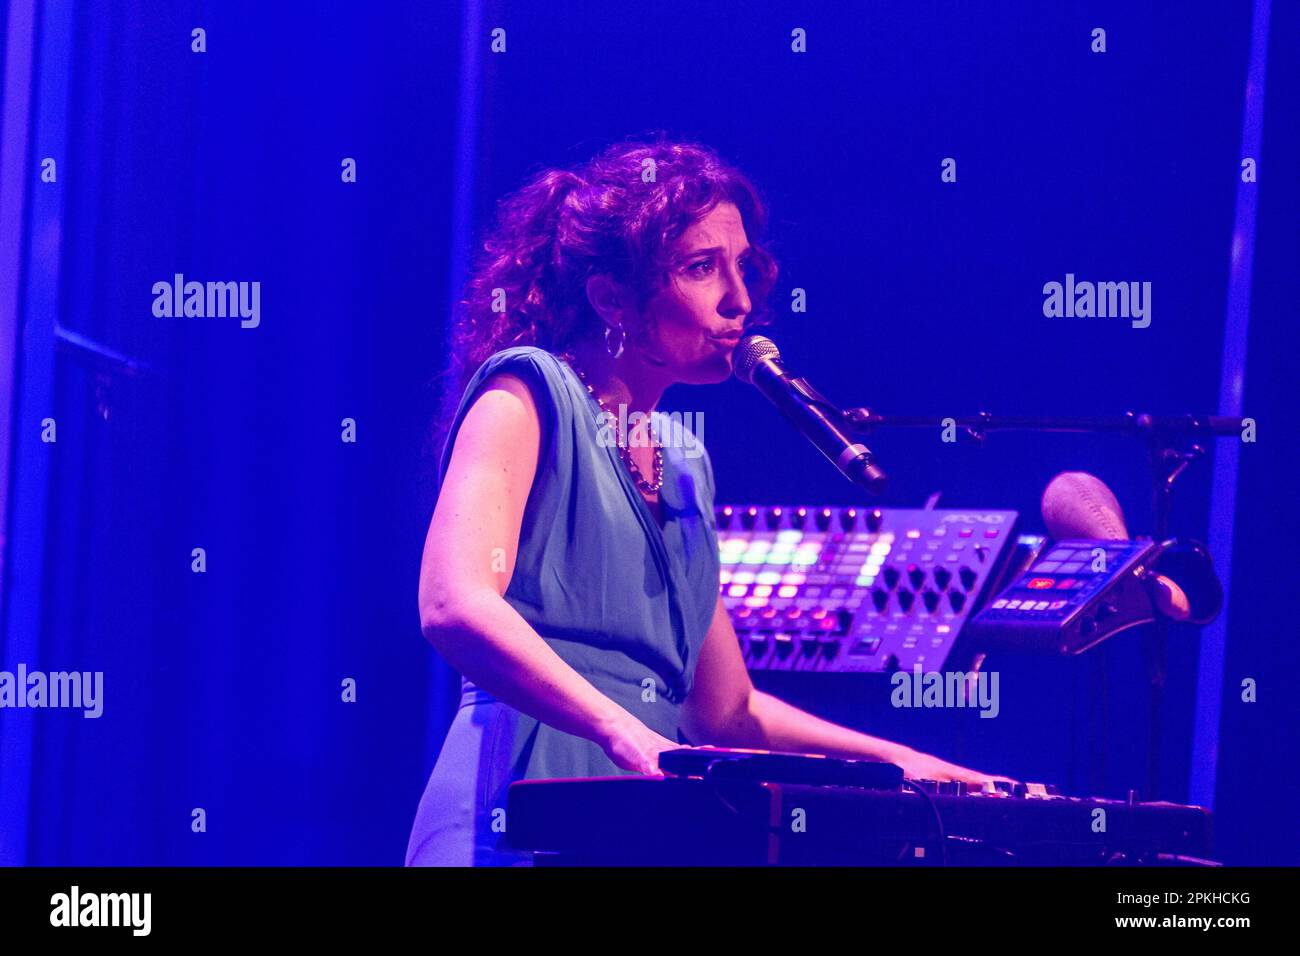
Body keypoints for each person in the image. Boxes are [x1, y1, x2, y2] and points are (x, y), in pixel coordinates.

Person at [405, 139, 1009, 866]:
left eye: (743, 266)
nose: (742, 301)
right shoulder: (527, 393)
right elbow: (454, 604)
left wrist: (902, 767)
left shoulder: (686, 462)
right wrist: (621, 731)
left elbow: (728, 711)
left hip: (644, 808)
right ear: (611, 299)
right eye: (701, 268)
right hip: (519, 795)